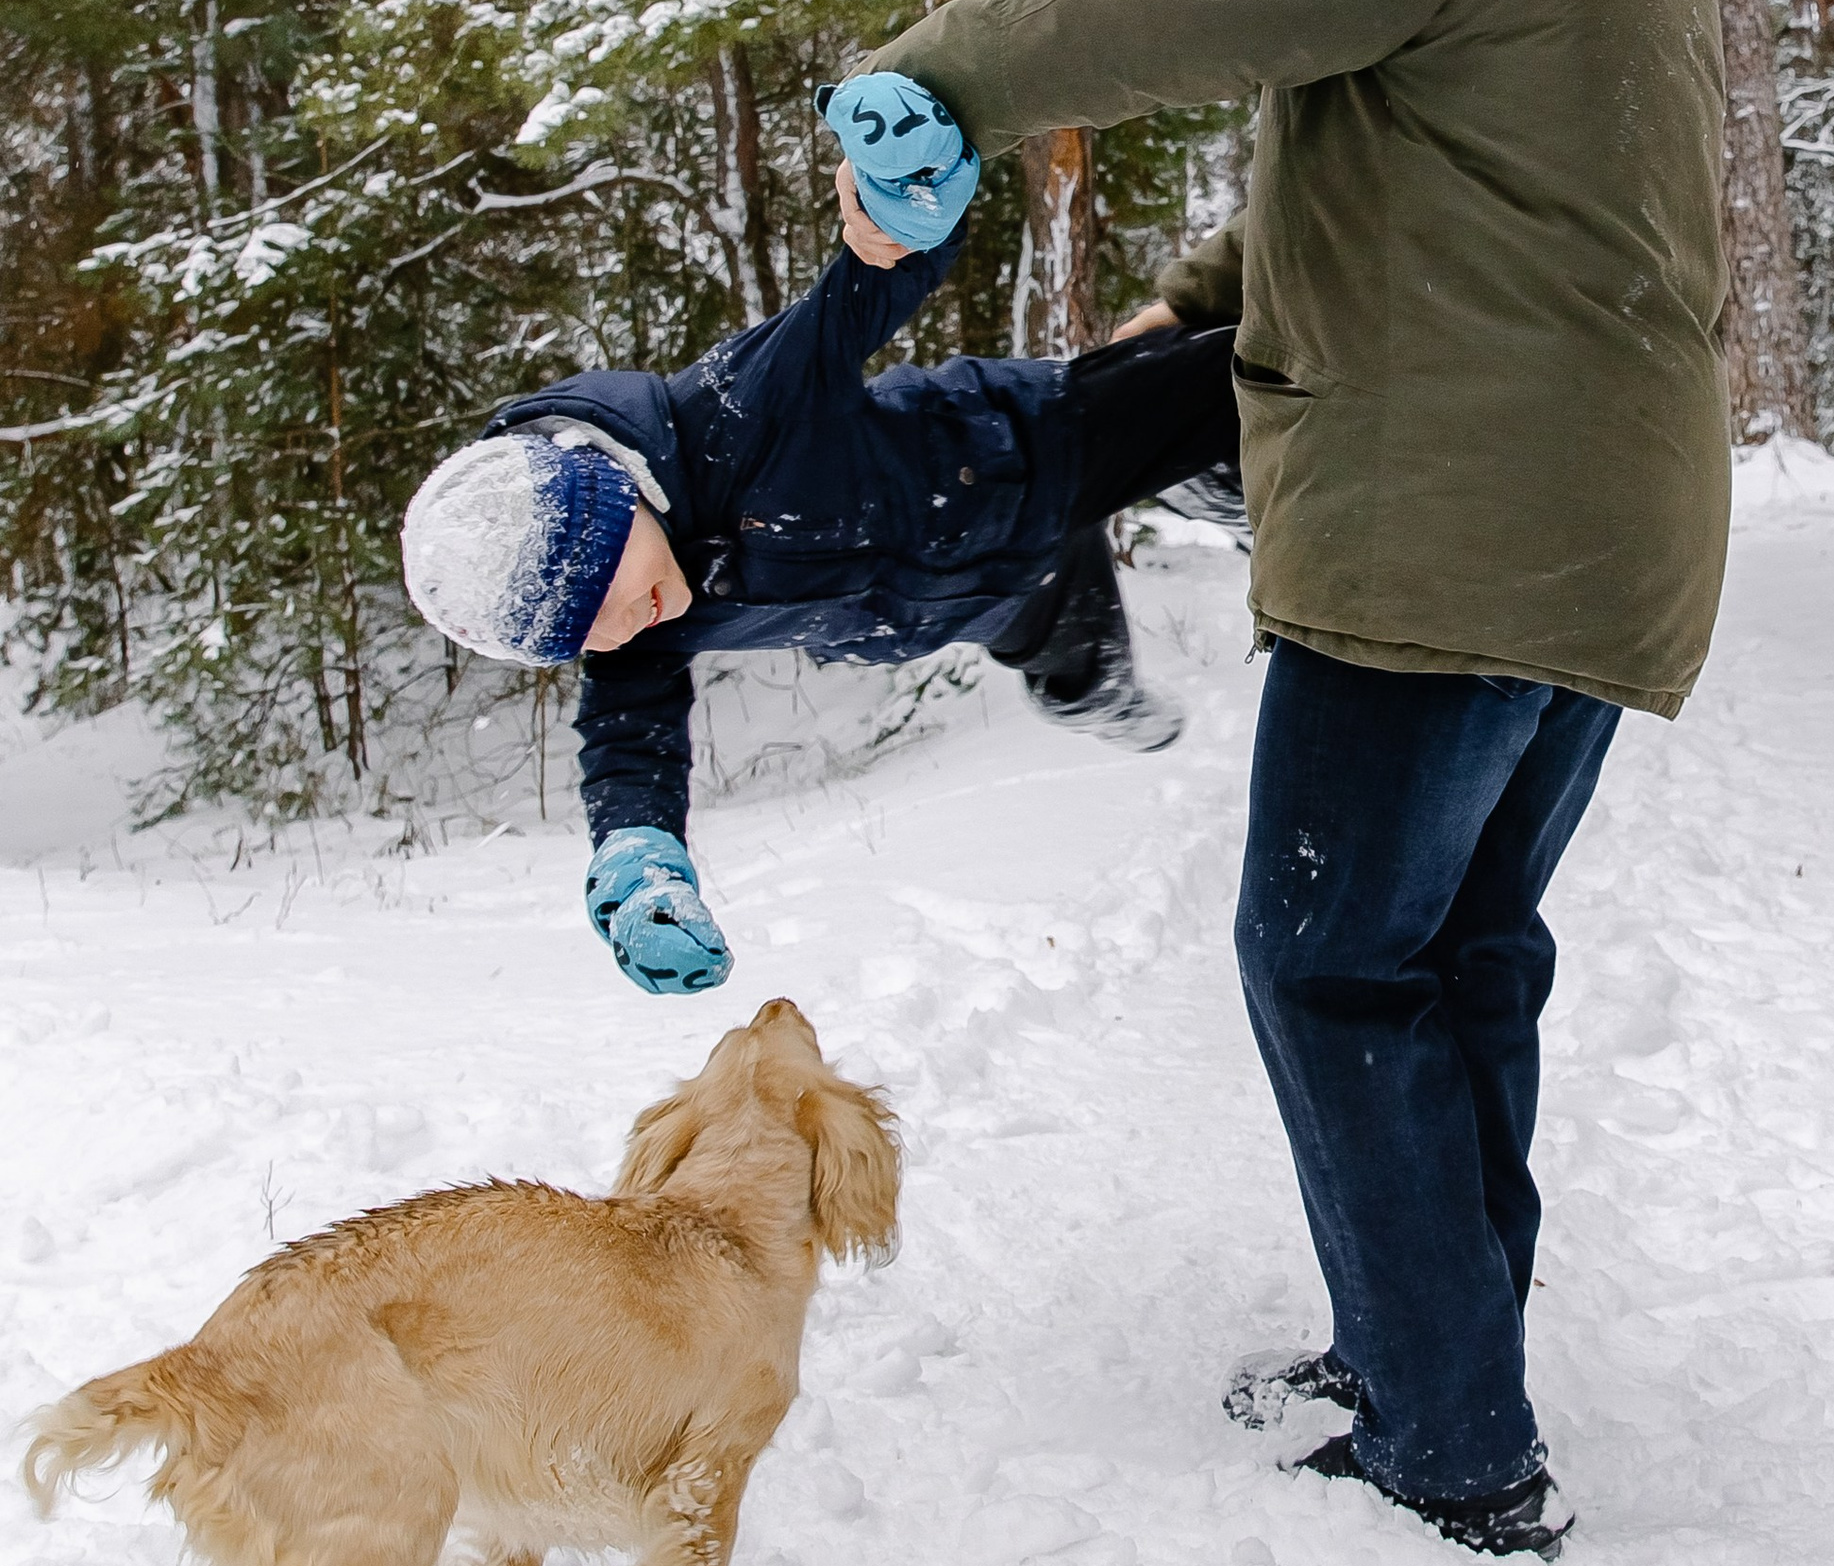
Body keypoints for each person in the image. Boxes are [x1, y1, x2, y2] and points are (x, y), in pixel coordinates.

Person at [870, 0, 1732, 1561]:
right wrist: (1198, 300)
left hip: (1452, 520)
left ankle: (1451, 1442)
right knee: (1458, 953)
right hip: (1595, 519)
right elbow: (1451, 164)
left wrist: (932, 77)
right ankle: (1437, 1349)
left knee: (1333, 962)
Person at [400, 122, 1243, 997]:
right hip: (987, 601)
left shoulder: (737, 407)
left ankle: (1233, 481)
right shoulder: (645, 615)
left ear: (616, 501)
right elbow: (626, 741)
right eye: (578, 641)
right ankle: (1096, 689)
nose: (611, 636)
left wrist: (901, 210)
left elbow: (865, 290)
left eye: (597, 601)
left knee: (1240, 377)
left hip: (1023, 456)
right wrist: (638, 857)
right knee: (1076, 661)